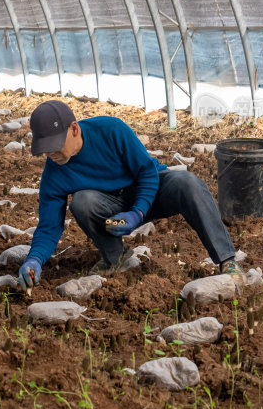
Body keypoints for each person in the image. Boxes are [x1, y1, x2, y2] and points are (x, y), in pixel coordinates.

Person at [17, 100, 242, 291]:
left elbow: (147, 171)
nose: (50, 154)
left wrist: (138, 211)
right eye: (44, 149)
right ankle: (116, 257)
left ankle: (226, 260)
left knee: (188, 182)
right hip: (110, 208)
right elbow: (49, 226)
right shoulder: (54, 172)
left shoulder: (110, 130)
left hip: (148, 193)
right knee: (82, 201)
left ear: (74, 129)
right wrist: (34, 259)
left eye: (54, 146)